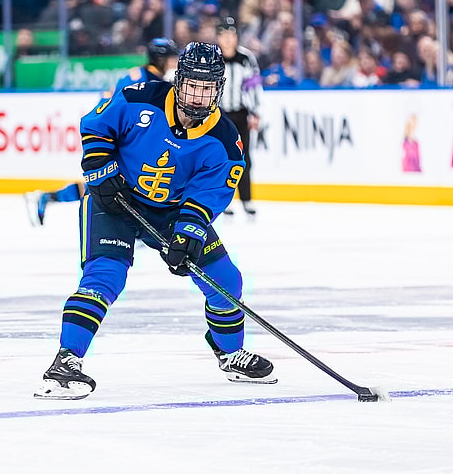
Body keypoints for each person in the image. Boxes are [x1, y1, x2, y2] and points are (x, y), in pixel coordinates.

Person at [34, 42, 276, 400]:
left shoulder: (224, 141)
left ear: (219, 89)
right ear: (178, 81)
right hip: (115, 201)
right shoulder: (139, 97)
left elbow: (208, 195)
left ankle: (229, 353)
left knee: (226, 280)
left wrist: (188, 234)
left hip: (171, 212)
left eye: (207, 87)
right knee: (106, 276)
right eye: (192, 84)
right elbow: (97, 127)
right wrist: (101, 170)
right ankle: (66, 361)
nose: (198, 95)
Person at [24, 38, 179, 227]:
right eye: (171, 58)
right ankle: (49, 197)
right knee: (107, 181)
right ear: (159, 59)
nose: (174, 62)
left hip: (117, 132)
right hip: (115, 133)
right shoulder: (146, 79)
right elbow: (121, 110)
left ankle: (48, 197)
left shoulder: (147, 76)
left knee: (106, 181)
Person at [216, 16, 263, 216]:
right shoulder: (213, 58)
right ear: (218, 37)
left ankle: (246, 199)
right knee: (220, 158)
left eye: (231, 34)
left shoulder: (246, 58)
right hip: (219, 116)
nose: (228, 39)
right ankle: (223, 200)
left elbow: (254, 87)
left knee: (244, 158)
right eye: (224, 35)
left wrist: (256, 112)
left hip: (241, 114)